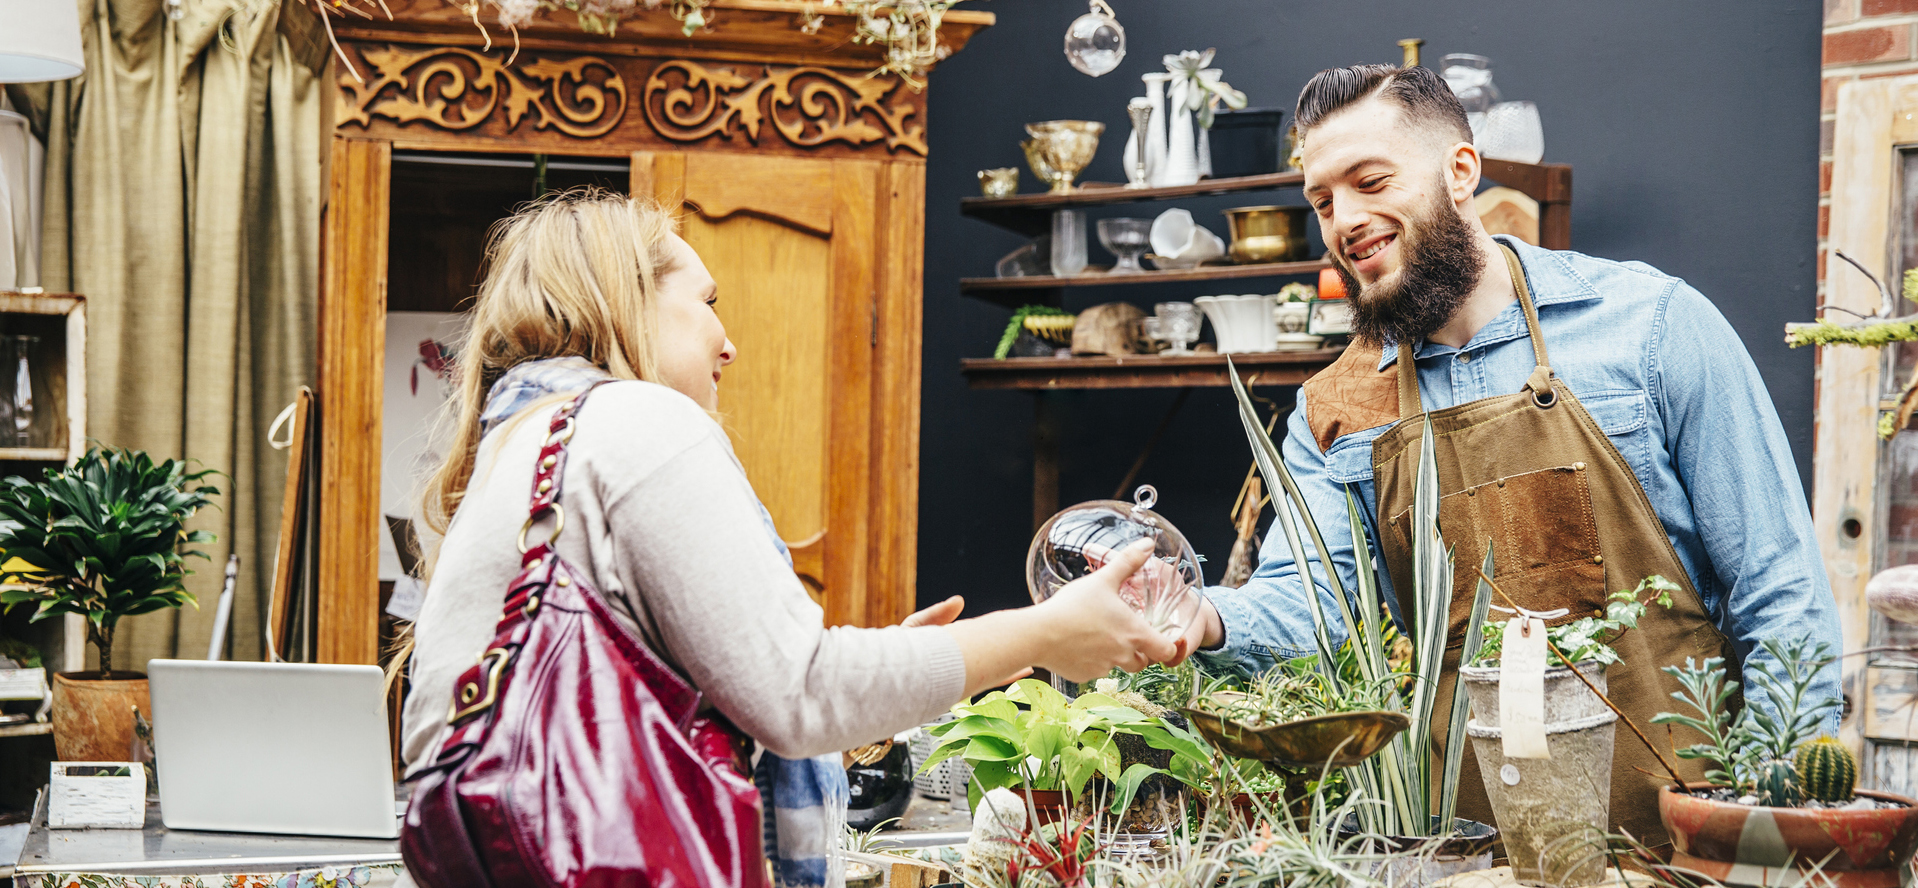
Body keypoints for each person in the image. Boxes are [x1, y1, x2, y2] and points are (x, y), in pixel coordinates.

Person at [395, 189, 1181, 885]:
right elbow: (801, 692)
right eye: (707, 301)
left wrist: (866, 700)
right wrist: (1043, 633)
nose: (727, 340)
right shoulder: (633, 419)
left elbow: (684, 715)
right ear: (626, 302)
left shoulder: (520, 446)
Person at [1173, 64, 1842, 846]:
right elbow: (1307, 604)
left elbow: (1779, 595)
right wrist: (1197, 616)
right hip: (1468, 849)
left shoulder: (1652, 327)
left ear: (1461, 172)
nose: (1344, 218)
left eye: (1370, 180)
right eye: (1322, 200)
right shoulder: (1340, 406)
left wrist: (1765, 833)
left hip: (1688, 843)